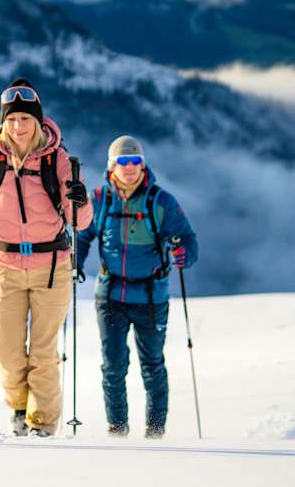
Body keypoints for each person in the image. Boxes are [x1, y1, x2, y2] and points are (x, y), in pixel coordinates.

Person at [0, 78, 92, 437]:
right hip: (7, 266)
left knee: (43, 353)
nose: (18, 126)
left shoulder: (58, 161)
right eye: (12, 119)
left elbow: (80, 222)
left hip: (52, 267)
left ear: (38, 121)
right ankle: (18, 406)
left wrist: (80, 200)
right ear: (3, 122)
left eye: (25, 119)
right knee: (4, 349)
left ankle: (41, 425)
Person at [76, 135, 199, 439]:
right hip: (110, 296)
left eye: (135, 161)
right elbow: (82, 235)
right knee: (113, 366)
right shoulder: (99, 199)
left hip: (151, 297)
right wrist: (74, 262)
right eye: (123, 161)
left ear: (142, 165)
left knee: (152, 365)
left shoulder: (161, 202)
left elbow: (188, 240)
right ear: (112, 166)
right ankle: (117, 431)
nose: (130, 167)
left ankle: (155, 433)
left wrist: (184, 254)